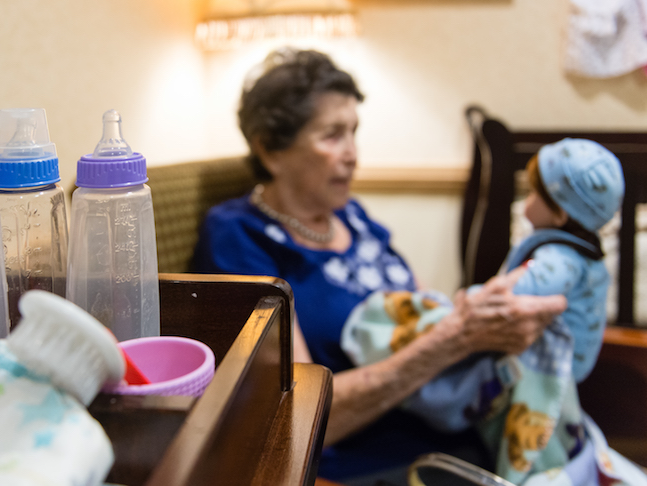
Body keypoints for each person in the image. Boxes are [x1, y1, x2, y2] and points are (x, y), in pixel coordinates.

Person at [191, 48, 566, 485]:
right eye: (332, 135)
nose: (353, 153)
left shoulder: (354, 216)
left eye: (354, 132)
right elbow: (292, 414)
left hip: (459, 435)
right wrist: (456, 338)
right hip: (371, 468)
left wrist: (483, 315)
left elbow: (425, 310)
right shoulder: (239, 236)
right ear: (271, 150)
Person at [341, 139, 630, 484]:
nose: (525, 205)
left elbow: (506, 299)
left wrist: (468, 299)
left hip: (540, 362)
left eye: (534, 195)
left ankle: (381, 333)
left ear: (561, 213)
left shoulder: (559, 262)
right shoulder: (578, 254)